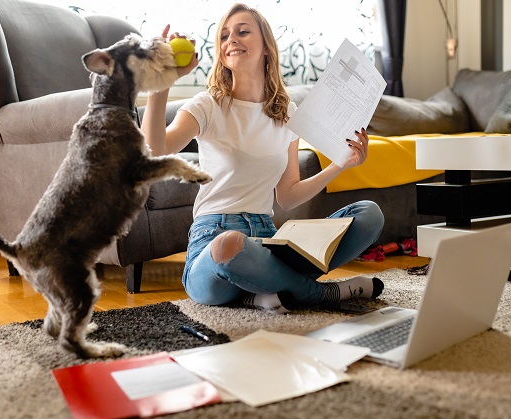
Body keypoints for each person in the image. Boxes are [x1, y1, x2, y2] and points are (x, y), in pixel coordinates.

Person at [143, 3, 385, 313]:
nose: (232, 39)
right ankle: (321, 294)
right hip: (215, 242)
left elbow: (287, 196)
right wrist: (161, 83)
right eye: (224, 36)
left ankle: (262, 292)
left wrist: (341, 163)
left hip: (268, 241)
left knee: (369, 214)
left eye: (243, 31)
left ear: (267, 48)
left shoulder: (287, 114)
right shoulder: (207, 105)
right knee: (230, 245)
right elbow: (156, 150)